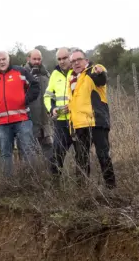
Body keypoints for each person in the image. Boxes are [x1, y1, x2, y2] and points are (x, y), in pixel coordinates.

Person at [0, 51, 39, 177]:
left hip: (22, 119)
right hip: (2, 123)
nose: (2, 62)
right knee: (5, 153)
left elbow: (35, 85)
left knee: (27, 150)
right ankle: (8, 183)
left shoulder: (20, 72)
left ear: (9, 60)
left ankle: (32, 180)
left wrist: (25, 99)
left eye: (4, 59)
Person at [67, 49, 116, 188]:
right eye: (73, 61)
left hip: (97, 122)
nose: (76, 63)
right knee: (81, 159)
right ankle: (82, 191)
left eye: (79, 59)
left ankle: (111, 189)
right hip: (79, 125)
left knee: (103, 156)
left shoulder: (92, 72)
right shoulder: (71, 79)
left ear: (86, 60)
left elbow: (102, 77)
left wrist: (100, 71)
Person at [44, 47, 73, 175]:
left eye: (64, 58)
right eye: (59, 59)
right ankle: (55, 184)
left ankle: (82, 185)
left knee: (82, 154)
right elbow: (47, 96)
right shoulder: (54, 74)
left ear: (70, 57)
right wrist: (52, 109)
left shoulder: (78, 71)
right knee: (57, 153)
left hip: (78, 120)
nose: (62, 61)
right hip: (61, 121)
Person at [24, 49, 53, 166]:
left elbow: (52, 95)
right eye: (34, 59)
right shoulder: (22, 74)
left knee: (49, 151)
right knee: (31, 153)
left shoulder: (47, 74)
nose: (36, 61)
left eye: (39, 59)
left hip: (46, 122)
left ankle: (51, 176)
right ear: (28, 59)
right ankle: (35, 178)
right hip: (30, 121)